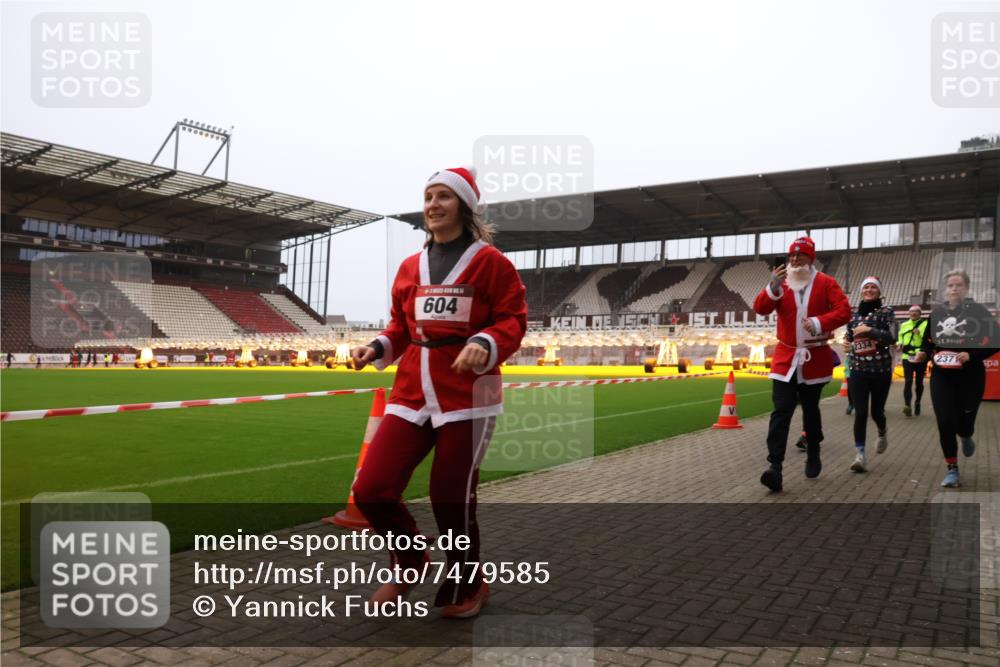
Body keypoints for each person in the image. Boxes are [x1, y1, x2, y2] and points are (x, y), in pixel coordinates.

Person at [350, 166, 527, 618]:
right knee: (371, 489)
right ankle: (411, 560)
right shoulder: (410, 267)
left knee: (450, 496)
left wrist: (484, 341)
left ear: (464, 206)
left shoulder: (492, 263)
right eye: (428, 196)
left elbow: (512, 319)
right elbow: (401, 327)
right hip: (411, 390)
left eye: (444, 196)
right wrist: (376, 347)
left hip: (468, 396)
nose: (433, 204)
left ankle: (469, 580)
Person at [752, 236, 851, 492]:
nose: (795, 260)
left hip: (814, 358)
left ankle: (814, 449)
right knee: (781, 411)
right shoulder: (781, 283)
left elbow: (844, 311)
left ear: (811, 258)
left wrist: (819, 322)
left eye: (801, 255)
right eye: (792, 256)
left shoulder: (826, 282)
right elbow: (760, 308)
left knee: (810, 409)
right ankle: (775, 467)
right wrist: (772, 286)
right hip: (785, 359)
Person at [913, 269, 999, 488]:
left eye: (958, 285)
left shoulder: (978, 311)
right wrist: (923, 353)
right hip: (942, 375)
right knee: (945, 420)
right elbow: (928, 342)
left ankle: (967, 434)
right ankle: (952, 468)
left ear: (966, 288)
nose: (954, 289)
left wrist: (971, 355)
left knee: (964, 423)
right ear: (945, 289)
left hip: (971, 377)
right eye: (950, 285)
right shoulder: (937, 313)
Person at [844, 277, 896, 473]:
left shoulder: (886, 312)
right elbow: (849, 337)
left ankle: (882, 431)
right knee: (861, 413)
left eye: (873, 287)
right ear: (861, 291)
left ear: (879, 291)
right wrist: (847, 343)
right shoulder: (853, 314)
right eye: (866, 287)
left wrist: (870, 330)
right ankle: (860, 455)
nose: (869, 289)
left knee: (876, 412)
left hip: (880, 370)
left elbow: (892, 337)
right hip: (858, 370)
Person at [897, 304, 929, 416]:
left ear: (920, 314)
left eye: (916, 311)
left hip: (920, 356)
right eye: (911, 311)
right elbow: (900, 336)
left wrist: (919, 334)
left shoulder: (925, 324)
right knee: (908, 381)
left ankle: (917, 402)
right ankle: (907, 406)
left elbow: (927, 340)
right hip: (907, 356)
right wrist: (899, 343)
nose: (913, 313)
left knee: (919, 382)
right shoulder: (904, 324)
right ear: (909, 313)